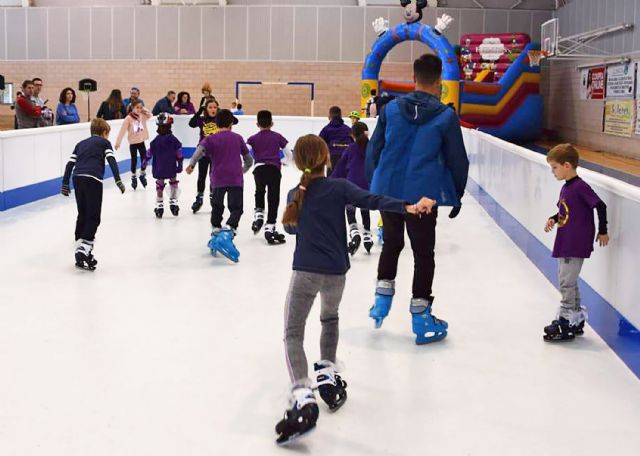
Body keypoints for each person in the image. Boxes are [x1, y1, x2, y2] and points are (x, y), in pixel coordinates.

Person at [275, 134, 435, 445]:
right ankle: (326, 372)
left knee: (294, 333)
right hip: (337, 273)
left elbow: (290, 227)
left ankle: (303, 396)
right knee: (329, 319)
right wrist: (410, 207)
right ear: (327, 159)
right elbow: (374, 200)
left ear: (299, 163)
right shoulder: (340, 188)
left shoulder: (296, 193)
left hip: (306, 272)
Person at [365, 53, 469, 345]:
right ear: (439, 83)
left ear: (413, 78)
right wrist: (456, 194)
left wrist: (373, 187)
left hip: (388, 191)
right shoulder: (446, 117)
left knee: (393, 243)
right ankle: (421, 316)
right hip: (422, 197)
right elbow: (457, 160)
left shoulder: (391, 110)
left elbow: (374, 150)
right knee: (423, 254)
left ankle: (381, 302)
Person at [542, 144, 609, 342]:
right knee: (569, 280)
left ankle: (565, 318)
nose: (552, 172)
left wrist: (603, 230)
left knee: (566, 282)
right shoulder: (567, 187)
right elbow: (565, 211)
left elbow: (600, 205)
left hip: (575, 242)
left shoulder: (580, 187)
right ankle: (576, 316)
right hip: (566, 240)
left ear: (567, 165)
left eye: (554, 167)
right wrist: (554, 218)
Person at [185, 109, 253, 263]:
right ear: (231, 124)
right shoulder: (238, 138)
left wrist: (191, 165)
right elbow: (249, 160)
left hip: (218, 179)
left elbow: (199, 152)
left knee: (217, 206)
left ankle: (216, 231)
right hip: (235, 179)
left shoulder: (211, 139)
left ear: (216, 123)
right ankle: (228, 231)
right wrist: (242, 170)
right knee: (236, 208)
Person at [60, 118, 126, 270]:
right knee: (94, 215)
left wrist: (65, 183)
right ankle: (85, 248)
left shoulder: (80, 144)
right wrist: (118, 180)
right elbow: (111, 160)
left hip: (77, 178)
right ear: (104, 133)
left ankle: (79, 247)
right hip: (93, 179)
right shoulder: (104, 143)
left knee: (82, 213)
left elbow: (70, 164)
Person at [247, 110, 291, 244]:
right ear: (272, 123)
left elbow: (245, 152)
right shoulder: (278, 137)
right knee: (273, 197)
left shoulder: (253, 138)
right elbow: (289, 153)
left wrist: (246, 165)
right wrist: (285, 162)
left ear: (257, 124)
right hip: (274, 169)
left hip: (259, 169)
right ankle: (270, 227)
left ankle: (259, 216)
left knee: (259, 192)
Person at [332, 121, 373, 255]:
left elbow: (340, 168)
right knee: (365, 210)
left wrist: (330, 181)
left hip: (351, 186)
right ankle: (367, 236)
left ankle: (354, 233)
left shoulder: (350, 149)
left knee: (350, 211)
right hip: (367, 186)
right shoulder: (373, 148)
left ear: (352, 135)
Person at [144, 113, 184, 218]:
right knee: (173, 183)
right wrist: (180, 164)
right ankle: (173, 203)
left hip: (159, 167)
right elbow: (179, 153)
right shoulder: (173, 139)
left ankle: (160, 205)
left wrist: (144, 163)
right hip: (170, 167)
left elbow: (149, 153)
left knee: (160, 185)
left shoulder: (155, 141)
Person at [188, 97, 219, 213]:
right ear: (206, 109)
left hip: (216, 153)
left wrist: (221, 112)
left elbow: (234, 121)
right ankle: (199, 198)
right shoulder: (202, 119)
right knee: (202, 176)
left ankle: (213, 198)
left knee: (213, 176)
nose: (213, 109)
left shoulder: (219, 119)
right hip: (203, 152)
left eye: (215, 107)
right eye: (210, 107)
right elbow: (191, 124)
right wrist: (199, 111)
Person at [115, 100, 152, 190]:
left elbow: (150, 115)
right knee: (134, 161)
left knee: (145, 159)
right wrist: (117, 143)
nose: (139, 109)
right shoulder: (128, 118)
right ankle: (133, 176)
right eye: (137, 108)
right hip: (133, 143)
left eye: (140, 107)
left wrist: (144, 109)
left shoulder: (142, 116)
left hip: (141, 141)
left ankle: (142, 174)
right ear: (132, 108)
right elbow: (122, 131)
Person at [319, 106, 353, 171]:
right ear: (340, 116)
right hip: (346, 158)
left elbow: (320, 144)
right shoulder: (348, 130)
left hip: (332, 159)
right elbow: (353, 144)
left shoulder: (326, 130)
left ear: (329, 116)